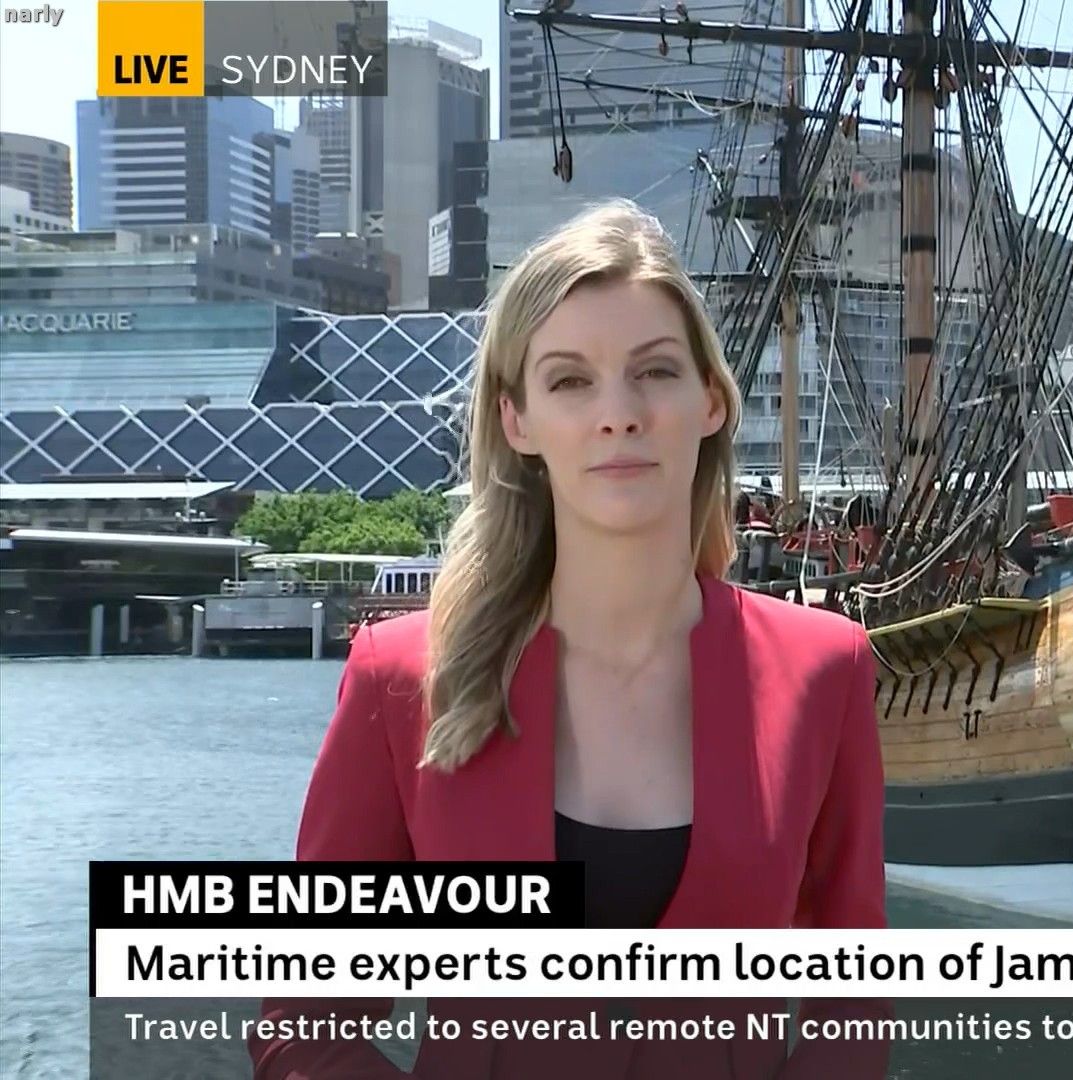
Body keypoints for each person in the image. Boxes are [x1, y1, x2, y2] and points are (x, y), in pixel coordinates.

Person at [250, 201, 889, 1078]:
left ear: (709, 400)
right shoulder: (397, 679)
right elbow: (304, 1025)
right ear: (518, 421)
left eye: (654, 371)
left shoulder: (826, 671)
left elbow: (850, 1008)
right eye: (570, 381)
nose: (618, 413)